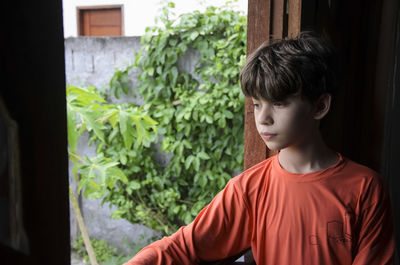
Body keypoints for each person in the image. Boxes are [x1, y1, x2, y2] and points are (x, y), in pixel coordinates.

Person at [124, 32, 395, 265]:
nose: (262, 118)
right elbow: (183, 246)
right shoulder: (249, 189)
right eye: (256, 104)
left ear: (320, 106)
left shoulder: (365, 188)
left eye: (278, 103)